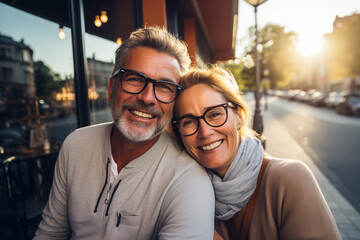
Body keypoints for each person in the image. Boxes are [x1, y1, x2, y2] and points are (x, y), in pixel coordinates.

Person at [34, 26, 215, 240]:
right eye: (135, 79)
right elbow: (51, 232)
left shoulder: (188, 181)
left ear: (174, 103)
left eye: (164, 86)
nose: (147, 97)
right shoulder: (75, 145)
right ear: (112, 89)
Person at [172, 65, 341, 240]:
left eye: (215, 114)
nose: (205, 132)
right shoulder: (187, 193)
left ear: (239, 116)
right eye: (188, 122)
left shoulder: (290, 179)